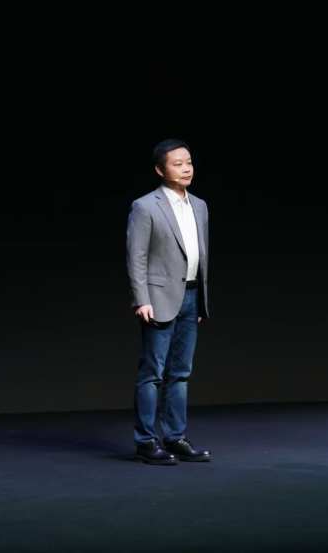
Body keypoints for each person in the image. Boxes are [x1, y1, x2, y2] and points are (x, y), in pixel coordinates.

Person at [126, 139, 213, 465]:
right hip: (159, 298)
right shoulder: (145, 206)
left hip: (191, 295)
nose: (186, 168)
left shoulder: (200, 206)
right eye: (177, 164)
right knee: (153, 373)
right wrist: (141, 299)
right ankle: (146, 442)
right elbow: (136, 256)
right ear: (160, 170)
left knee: (181, 373)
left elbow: (200, 256)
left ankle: (175, 437)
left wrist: (200, 300)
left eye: (188, 162)